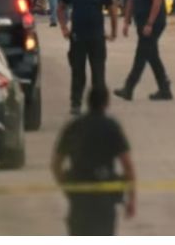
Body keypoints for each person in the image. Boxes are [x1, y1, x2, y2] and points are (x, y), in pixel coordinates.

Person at [52, 86, 136, 236]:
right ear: (107, 103)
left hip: (79, 200)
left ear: (87, 102)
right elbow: (128, 167)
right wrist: (132, 200)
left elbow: (56, 164)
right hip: (104, 201)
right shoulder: (111, 127)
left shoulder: (74, 126)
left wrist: (67, 187)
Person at [58, 0, 117, 115]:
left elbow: (112, 9)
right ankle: (75, 103)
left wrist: (113, 31)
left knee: (98, 73)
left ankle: (99, 106)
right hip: (77, 38)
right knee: (78, 73)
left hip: (97, 38)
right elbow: (61, 8)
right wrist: (64, 27)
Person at [113, 0, 173, 101]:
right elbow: (131, 0)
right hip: (141, 22)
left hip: (153, 22)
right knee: (151, 55)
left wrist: (150, 23)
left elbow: (157, 2)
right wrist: (126, 21)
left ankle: (129, 88)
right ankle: (164, 88)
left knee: (141, 54)